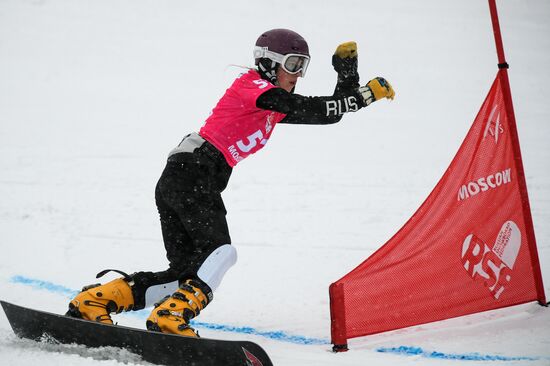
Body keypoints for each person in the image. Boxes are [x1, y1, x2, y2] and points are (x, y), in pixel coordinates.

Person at [66, 28, 395, 337]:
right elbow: (303, 105)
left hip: (184, 177)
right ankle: (170, 317)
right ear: (267, 64)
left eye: (303, 66)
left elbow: (328, 113)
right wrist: (363, 96)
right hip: (193, 174)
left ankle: (94, 302)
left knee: (186, 273)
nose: (297, 74)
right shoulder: (252, 87)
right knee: (220, 254)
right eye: (293, 65)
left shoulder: (272, 105)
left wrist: (346, 73)